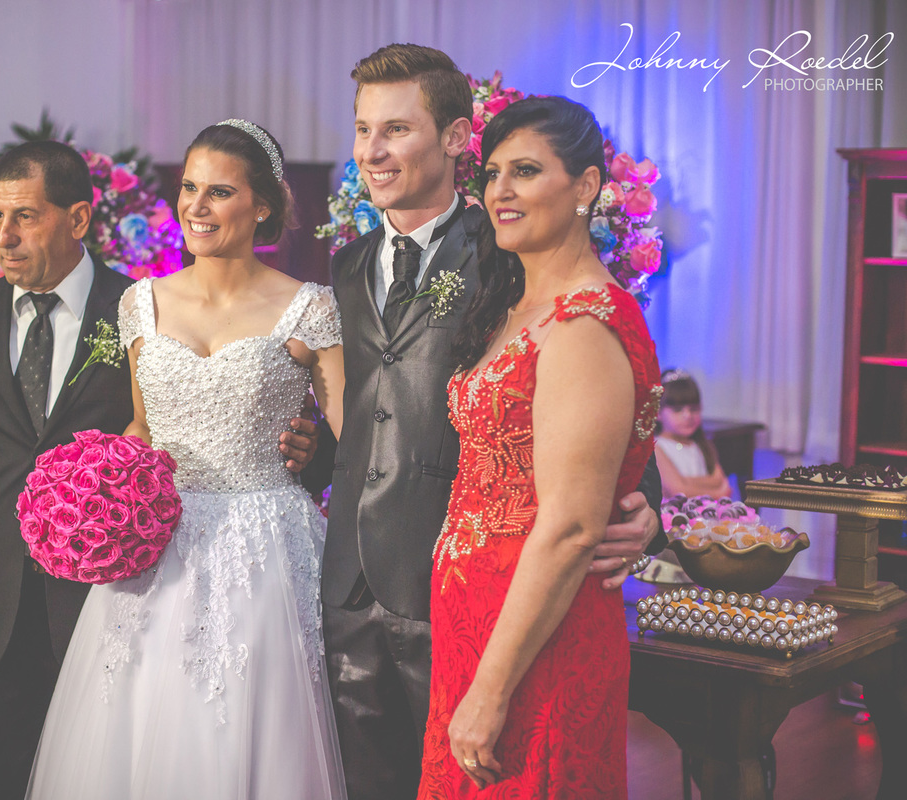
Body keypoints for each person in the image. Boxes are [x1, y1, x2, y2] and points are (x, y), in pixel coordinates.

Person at [305, 44, 665, 799]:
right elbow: (366, 408)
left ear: (454, 139)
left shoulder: (508, 252)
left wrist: (645, 509)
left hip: (483, 597)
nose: (372, 150)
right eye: (363, 129)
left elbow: (601, 402)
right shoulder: (347, 264)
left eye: (396, 129)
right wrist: (305, 452)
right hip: (353, 580)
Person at [26, 120, 347, 798]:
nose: (196, 207)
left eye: (220, 192)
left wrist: (315, 443)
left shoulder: (309, 308)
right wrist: (96, 486)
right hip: (157, 546)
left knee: (251, 728)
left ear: (263, 205)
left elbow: (355, 439)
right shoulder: (141, 303)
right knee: (141, 727)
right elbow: (143, 427)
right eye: (189, 188)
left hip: (265, 549)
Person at [417, 95, 662, 798]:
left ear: (586, 186)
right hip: (479, 624)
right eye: (493, 173)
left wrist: (491, 690)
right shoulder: (517, 305)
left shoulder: (584, 325)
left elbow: (572, 526)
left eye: (525, 171)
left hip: (535, 644)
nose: (501, 190)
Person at [0, 140, 138, 800]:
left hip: (105, 591)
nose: (2, 237)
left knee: (103, 773)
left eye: (25, 217)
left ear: (78, 219)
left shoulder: (138, 309)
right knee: (9, 775)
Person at [654, 368, 731, 499]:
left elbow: (720, 480)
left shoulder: (701, 444)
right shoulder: (656, 447)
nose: (688, 415)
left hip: (706, 510)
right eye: (677, 410)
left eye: (694, 409)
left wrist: (684, 481)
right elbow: (677, 491)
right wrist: (718, 493)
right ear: (658, 412)